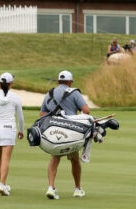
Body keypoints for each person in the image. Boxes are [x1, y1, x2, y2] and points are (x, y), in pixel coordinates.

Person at [39, 70, 92, 200]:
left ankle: (51, 187)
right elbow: (86, 110)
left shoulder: (50, 93)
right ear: (70, 82)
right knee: (74, 160)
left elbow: (42, 115)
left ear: (58, 81)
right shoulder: (74, 93)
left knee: (54, 159)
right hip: (70, 133)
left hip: (55, 132)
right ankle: (77, 189)